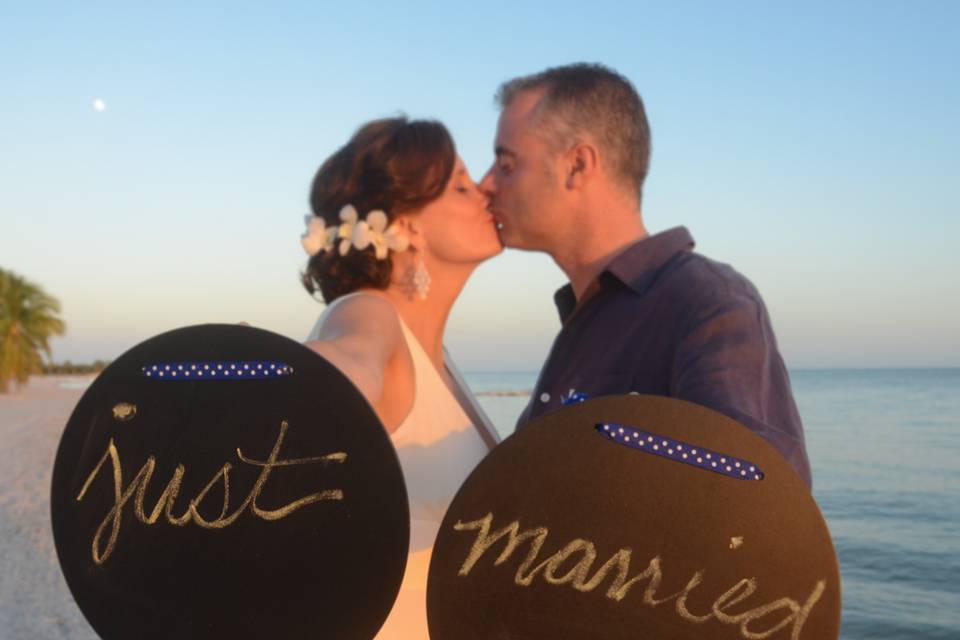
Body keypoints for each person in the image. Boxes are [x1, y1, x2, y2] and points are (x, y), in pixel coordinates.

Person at [478, 63, 813, 487]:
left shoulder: (705, 300)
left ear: (577, 165)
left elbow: (758, 500)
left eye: (506, 164)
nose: (485, 184)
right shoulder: (590, 313)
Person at [300, 117, 501, 639]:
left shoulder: (441, 361)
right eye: (460, 185)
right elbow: (349, 361)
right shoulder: (369, 313)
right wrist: (278, 378)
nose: (483, 192)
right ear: (407, 225)